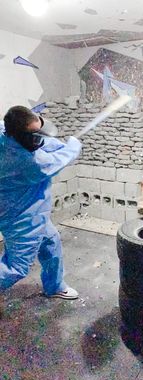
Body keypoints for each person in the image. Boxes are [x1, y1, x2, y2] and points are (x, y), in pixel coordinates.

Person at [0, 105, 82, 316]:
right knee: (17, 267)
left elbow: (43, 141)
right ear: (22, 136)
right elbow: (59, 160)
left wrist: (57, 143)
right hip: (20, 216)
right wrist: (72, 146)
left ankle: (54, 286)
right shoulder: (28, 162)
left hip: (33, 211)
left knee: (50, 242)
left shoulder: (5, 131)